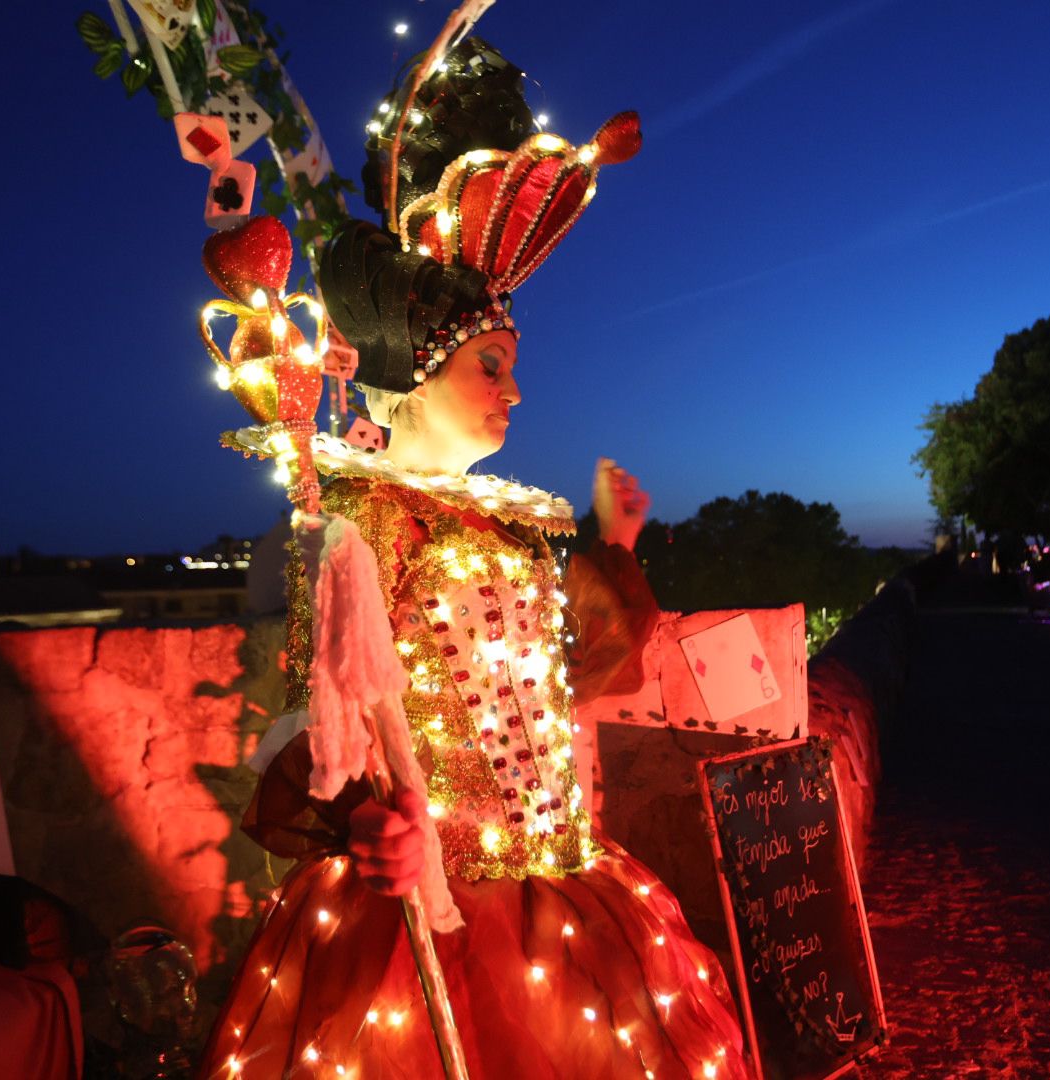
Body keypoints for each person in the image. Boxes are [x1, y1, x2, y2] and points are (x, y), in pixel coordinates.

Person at [196, 38, 750, 1079]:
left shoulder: (514, 525)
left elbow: (580, 677)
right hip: (424, 928)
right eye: (492, 364)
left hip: (563, 901)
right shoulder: (359, 520)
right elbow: (305, 726)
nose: (515, 390)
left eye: (511, 365)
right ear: (416, 371)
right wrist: (364, 822)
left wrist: (615, 550)